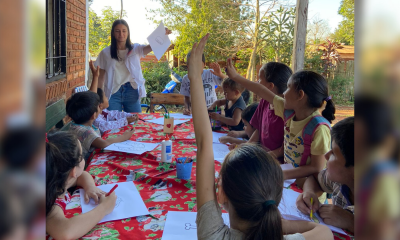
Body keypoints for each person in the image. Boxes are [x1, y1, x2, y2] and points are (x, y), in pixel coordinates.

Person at [189, 33, 333, 240]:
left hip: (302, 185)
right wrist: (279, 226)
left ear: (220, 196)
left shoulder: (212, 235)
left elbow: (203, 145)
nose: (284, 94)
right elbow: (323, 231)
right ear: (275, 198)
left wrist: (195, 77)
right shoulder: (289, 111)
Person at [225, 60, 335, 181]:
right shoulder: (288, 112)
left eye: (288, 88)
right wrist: (235, 77)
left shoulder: (319, 129)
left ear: (300, 95)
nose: (284, 92)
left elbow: (316, 167)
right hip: (286, 181)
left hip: (307, 193)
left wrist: (281, 174)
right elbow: (260, 90)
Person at [46, 131, 116, 239]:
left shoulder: (55, 180)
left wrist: (90, 187)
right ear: (73, 171)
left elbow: (81, 175)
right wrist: (104, 208)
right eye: (82, 156)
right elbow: (64, 232)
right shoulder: (48, 199)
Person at [95, 19, 172, 112]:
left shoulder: (135, 49)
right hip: (113, 92)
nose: (121, 34)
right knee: (113, 121)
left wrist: (161, 34)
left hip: (131, 90)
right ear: (113, 33)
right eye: (117, 31)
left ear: (128, 33)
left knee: (135, 121)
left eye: (124, 31)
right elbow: (100, 77)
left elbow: (151, 47)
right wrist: (99, 95)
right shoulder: (105, 52)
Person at [296, 117, 354, 234]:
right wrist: (309, 192)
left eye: (333, 153)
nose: (326, 155)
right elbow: (314, 179)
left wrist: (351, 221)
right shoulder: (340, 180)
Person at [66, 91, 134, 160]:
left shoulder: (78, 125)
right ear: (94, 115)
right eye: (99, 106)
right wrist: (124, 137)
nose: (101, 107)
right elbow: (104, 144)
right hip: (85, 166)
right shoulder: (84, 131)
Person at [89, 60, 138, 134]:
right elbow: (105, 127)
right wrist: (125, 121)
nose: (107, 97)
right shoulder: (95, 117)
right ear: (100, 105)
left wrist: (130, 116)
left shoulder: (103, 112)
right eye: (105, 96)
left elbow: (115, 114)